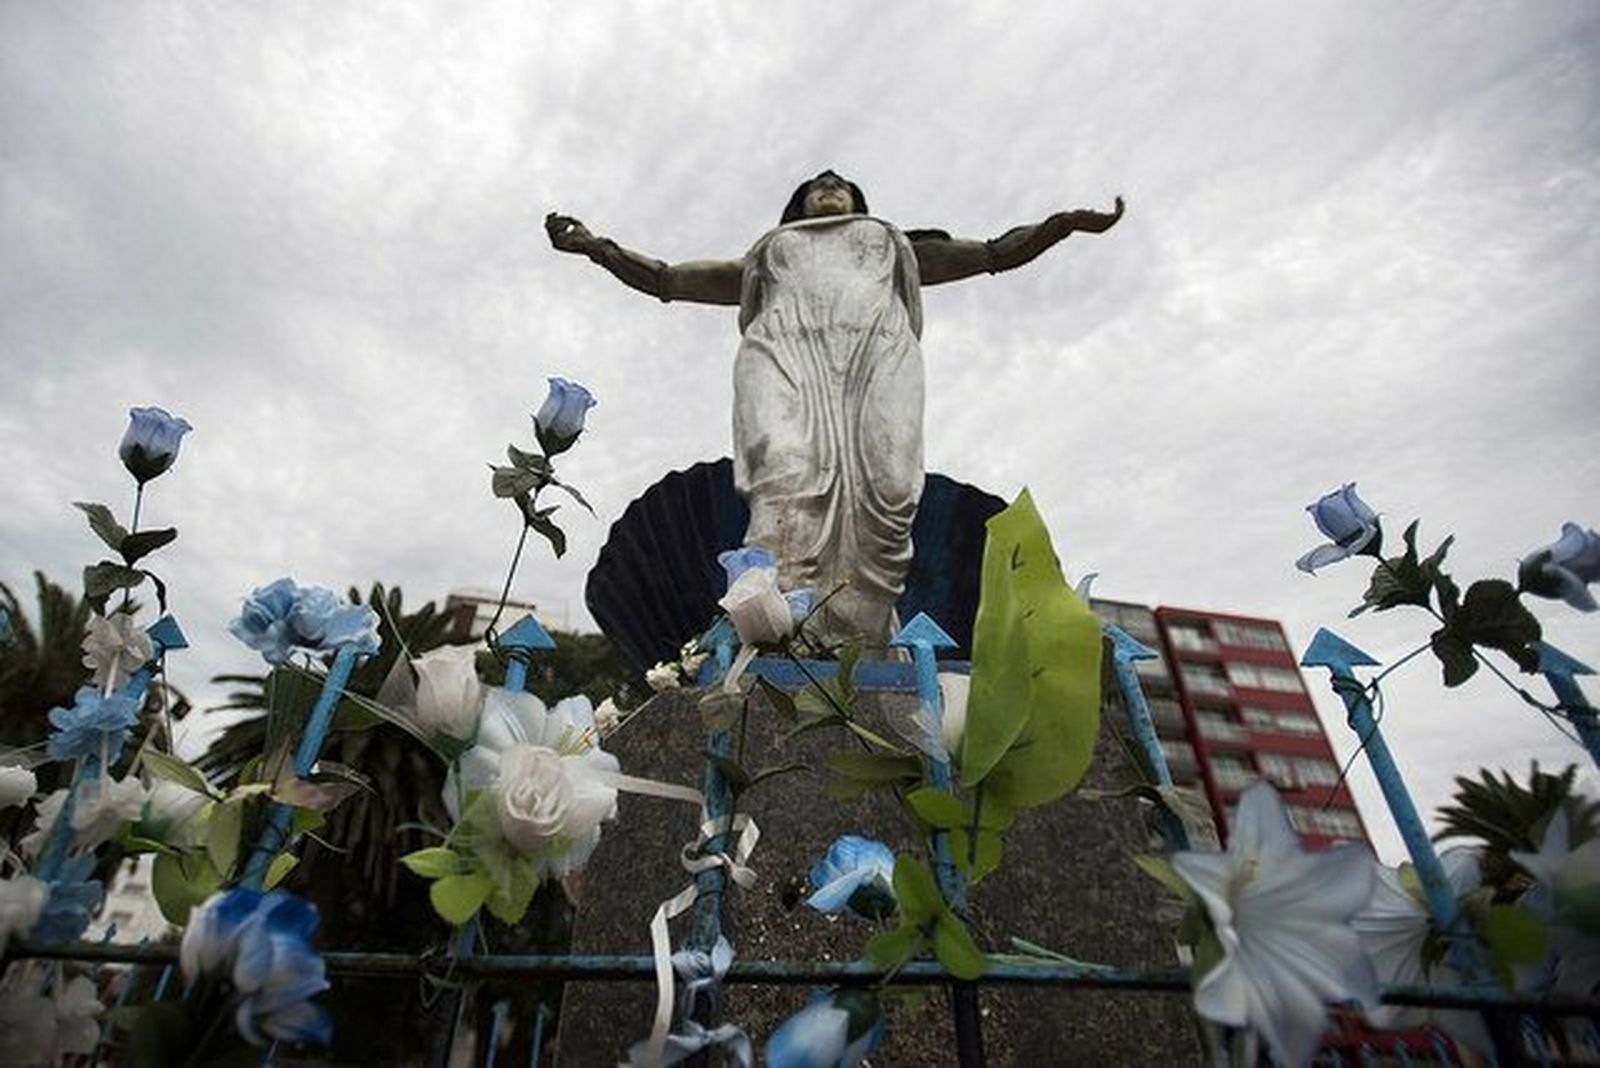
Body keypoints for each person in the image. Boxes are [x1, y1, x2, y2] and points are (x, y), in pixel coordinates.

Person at [546, 171, 1123, 646]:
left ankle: (861, 637)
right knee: (783, 476)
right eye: (816, 186)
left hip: (876, 360)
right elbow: (670, 278)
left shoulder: (888, 241)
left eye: (839, 185)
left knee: (891, 483)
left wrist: (1059, 227)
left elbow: (991, 253)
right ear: (796, 205)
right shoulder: (772, 250)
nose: (828, 188)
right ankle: (777, 628)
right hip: (783, 361)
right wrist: (598, 248)